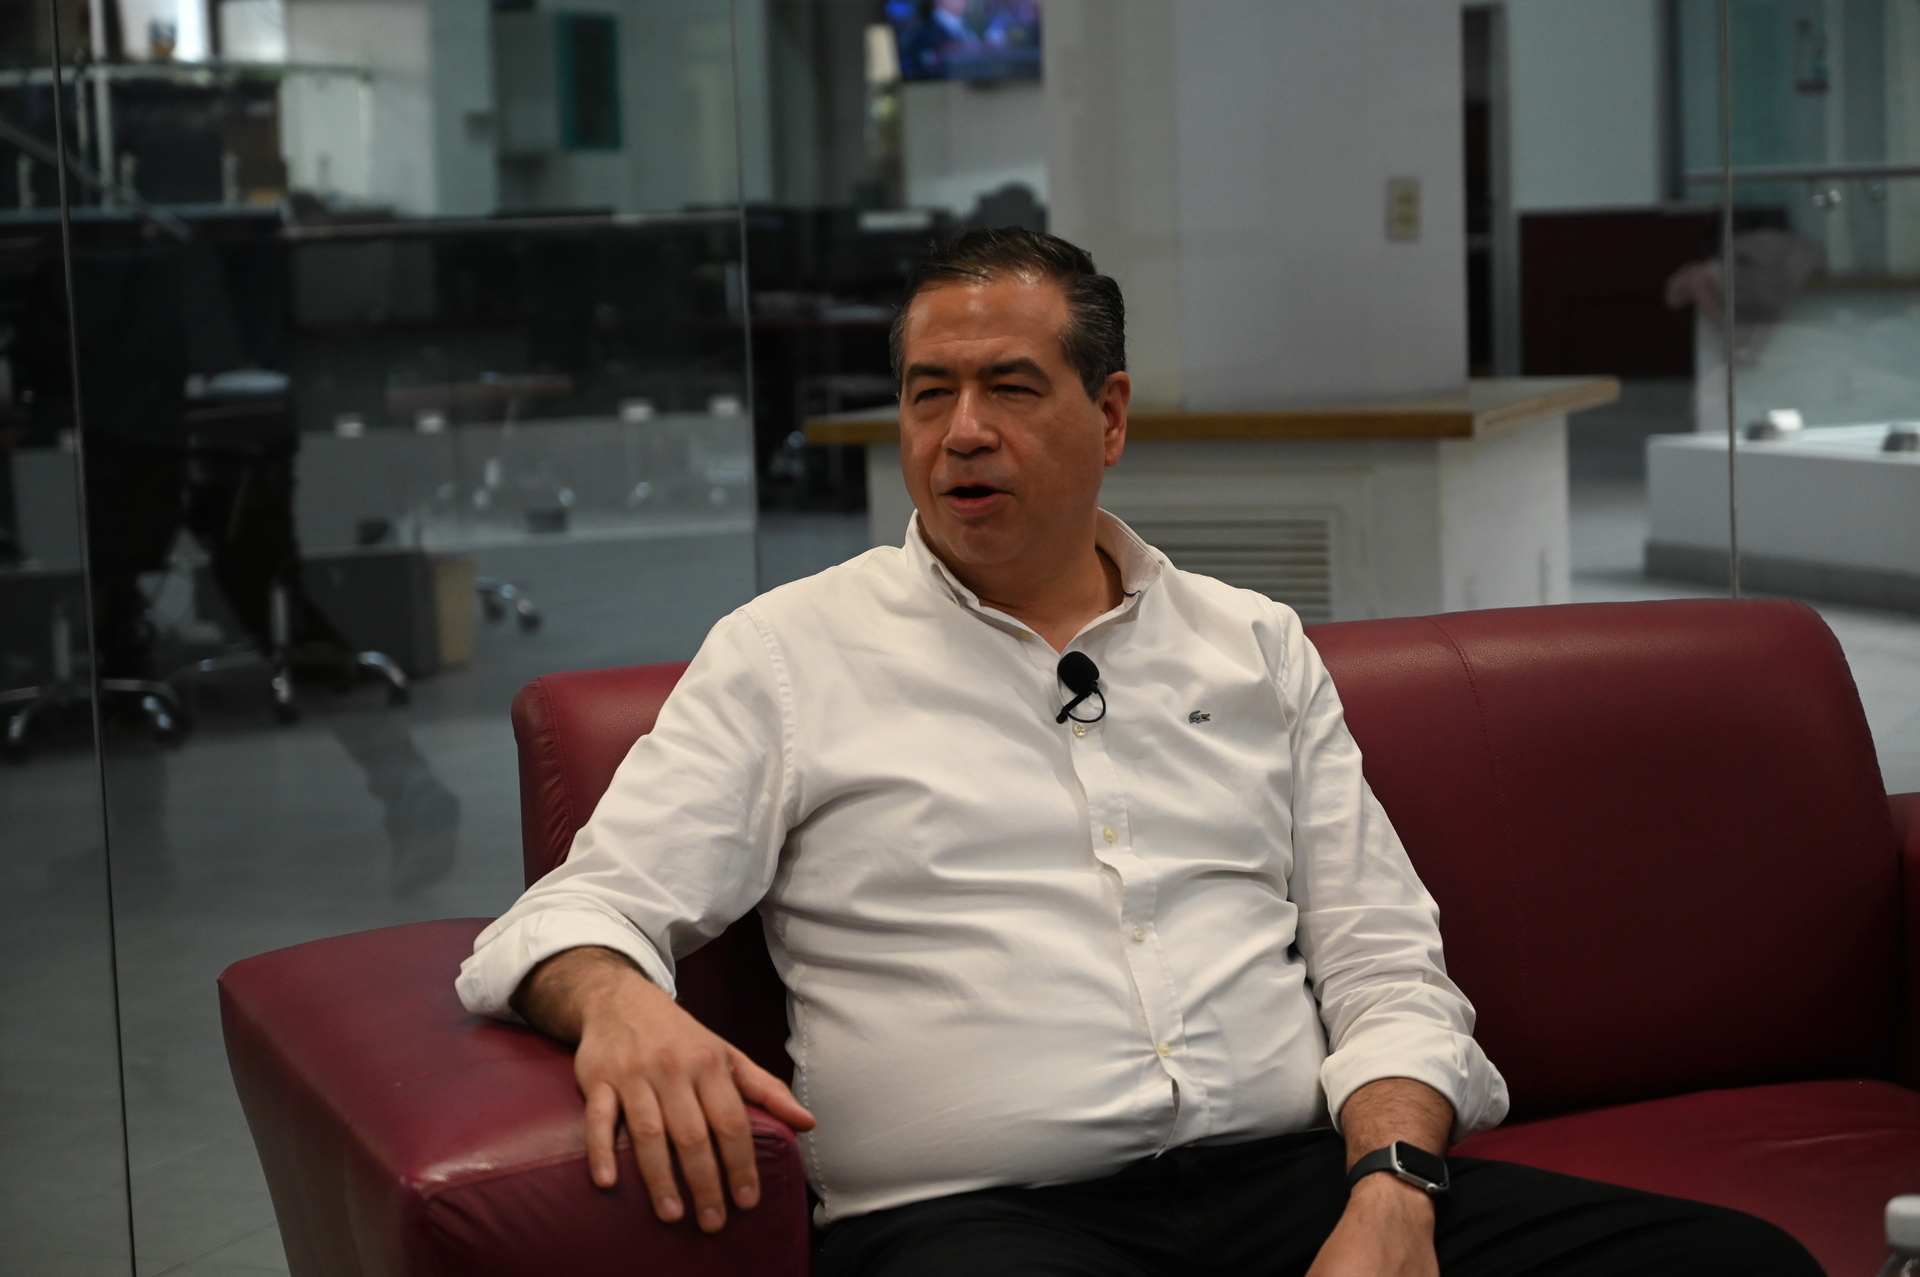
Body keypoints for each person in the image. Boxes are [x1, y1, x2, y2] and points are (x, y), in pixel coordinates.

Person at [457, 229, 1821, 1277]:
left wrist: (1393, 1192)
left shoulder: (1251, 643)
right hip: (976, 1223)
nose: (962, 431)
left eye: (1009, 386)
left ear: (1109, 416)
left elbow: (1385, 967)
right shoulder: (787, 653)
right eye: (930, 393)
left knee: (1739, 1264)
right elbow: (582, 908)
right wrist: (622, 1003)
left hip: (1297, 1182)